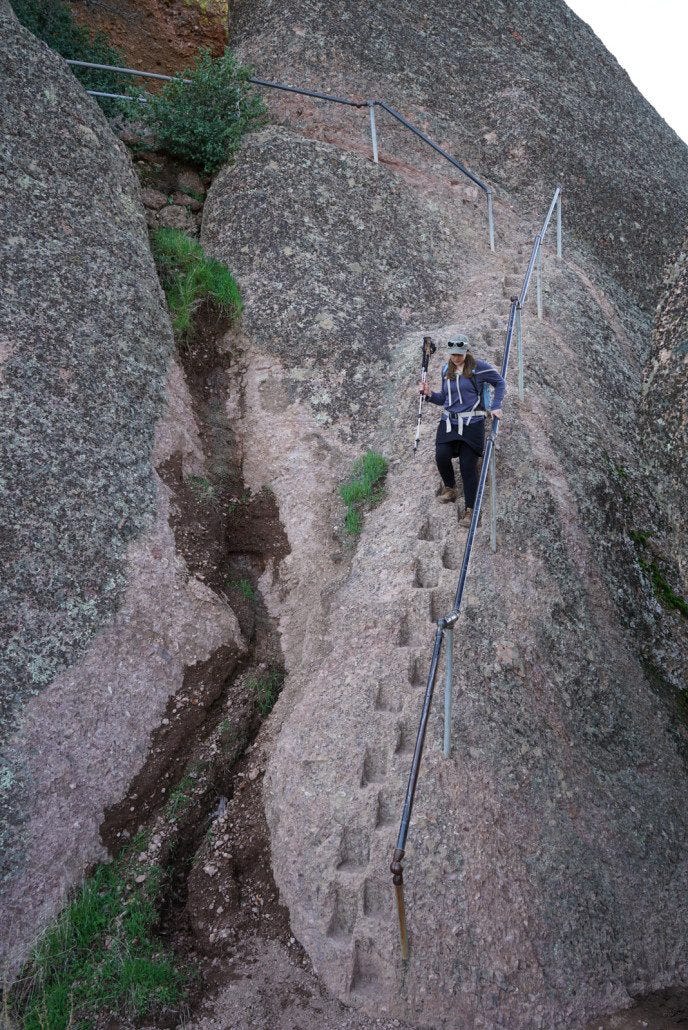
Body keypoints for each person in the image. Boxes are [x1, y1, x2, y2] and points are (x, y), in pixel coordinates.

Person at [419, 332, 506, 527]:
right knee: (441, 456)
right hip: (449, 422)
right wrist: (429, 394)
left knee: (468, 466)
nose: (456, 357)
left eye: (460, 353)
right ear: (449, 353)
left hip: (472, 424)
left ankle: (470, 510)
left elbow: (500, 382)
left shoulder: (479, 368)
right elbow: (445, 399)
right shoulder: (445, 370)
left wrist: (496, 405)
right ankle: (450, 488)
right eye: (453, 354)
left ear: (466, 351)